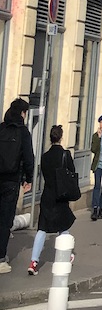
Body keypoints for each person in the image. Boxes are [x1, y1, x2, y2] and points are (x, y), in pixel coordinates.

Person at [28, 125, 76, 276]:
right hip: (60, 195)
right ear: (61, 137)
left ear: (50, 138)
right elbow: (72, 172)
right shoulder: (65, 154)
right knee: (63, 225)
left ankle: (33, 262)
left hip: (47, 195)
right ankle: (66, 255)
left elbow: (45, 175)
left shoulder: (44, 156)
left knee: (42, 228)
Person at [0, 98, 33, 275]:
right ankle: (0, 259)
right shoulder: (23, 132)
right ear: (22, 113)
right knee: (5, 220)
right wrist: (28, 179)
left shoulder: (1, 128)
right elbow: (29, 158)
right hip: (11, 181)